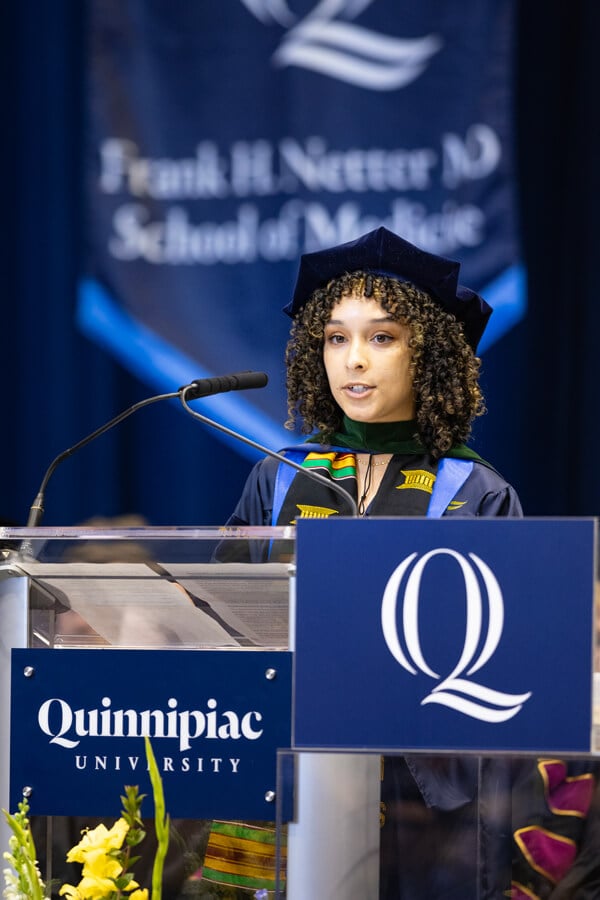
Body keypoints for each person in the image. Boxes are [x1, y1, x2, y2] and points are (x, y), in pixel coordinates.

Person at [210, 227, 600, 898]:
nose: (353, 361)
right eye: (336, 338)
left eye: (381, 338)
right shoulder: (278, 479)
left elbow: (512, 668)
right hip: (279, 777)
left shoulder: (474, 491)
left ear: (430, 355)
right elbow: (218, 620)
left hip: (427, 805)